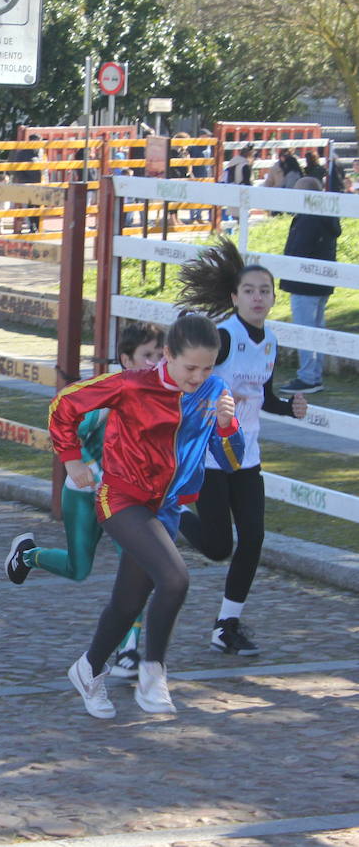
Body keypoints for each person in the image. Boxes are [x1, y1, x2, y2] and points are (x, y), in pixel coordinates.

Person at [50, 314, 242, 718]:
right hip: (120, 497)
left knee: (127, 602)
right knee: (174, 578)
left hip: (166, 509)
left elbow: (232, 460)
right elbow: (64, 405)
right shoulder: (133, 384)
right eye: (191, 366)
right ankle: (153, 674)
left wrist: (227, 425)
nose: (199, 376)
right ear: (168, 355)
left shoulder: (214, 391)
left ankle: (87, 669)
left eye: (208, 367)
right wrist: (71, 460)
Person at [5, 322, 165, 676]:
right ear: (125, 359)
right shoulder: (108, 395)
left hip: (126, 501)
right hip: (85, 495)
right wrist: (80, 464)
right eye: (146, 356)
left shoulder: (162, 394)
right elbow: (67, 424)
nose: (154, 364)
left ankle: (130, 650)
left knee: (136, 565)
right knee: (79, 569)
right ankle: (28, 555)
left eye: (159, 356)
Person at [177, 240, 308, 657]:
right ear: (234, 297)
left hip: (247, 458)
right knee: (218, 548)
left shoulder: (269, 340)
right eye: (249, 290)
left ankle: (225, 625)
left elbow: (262, 395)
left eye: (264, 291)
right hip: (212, 459)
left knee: (252, 538)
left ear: (273, 297)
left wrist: (290, 407)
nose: (257, 297)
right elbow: (189, 383)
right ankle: (175, 512)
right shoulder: (224, 339)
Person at [277, 177, 340, 394]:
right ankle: (314, 376)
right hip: (321, 284)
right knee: (317, 330)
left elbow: (298, 249)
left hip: (304, 284)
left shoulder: (308, 218)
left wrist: (286, 271)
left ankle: (307, 377)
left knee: (304, 331)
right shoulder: (326, 216)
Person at [10, 133, 44, 234]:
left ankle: (37, 227)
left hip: (39, 185)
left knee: (38, 207)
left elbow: (44, 168)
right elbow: (17, 170)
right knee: (29, 207)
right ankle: (32, 227)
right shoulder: (22, 153)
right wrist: (24, 181)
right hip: (28, 184)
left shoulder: (40, 152)